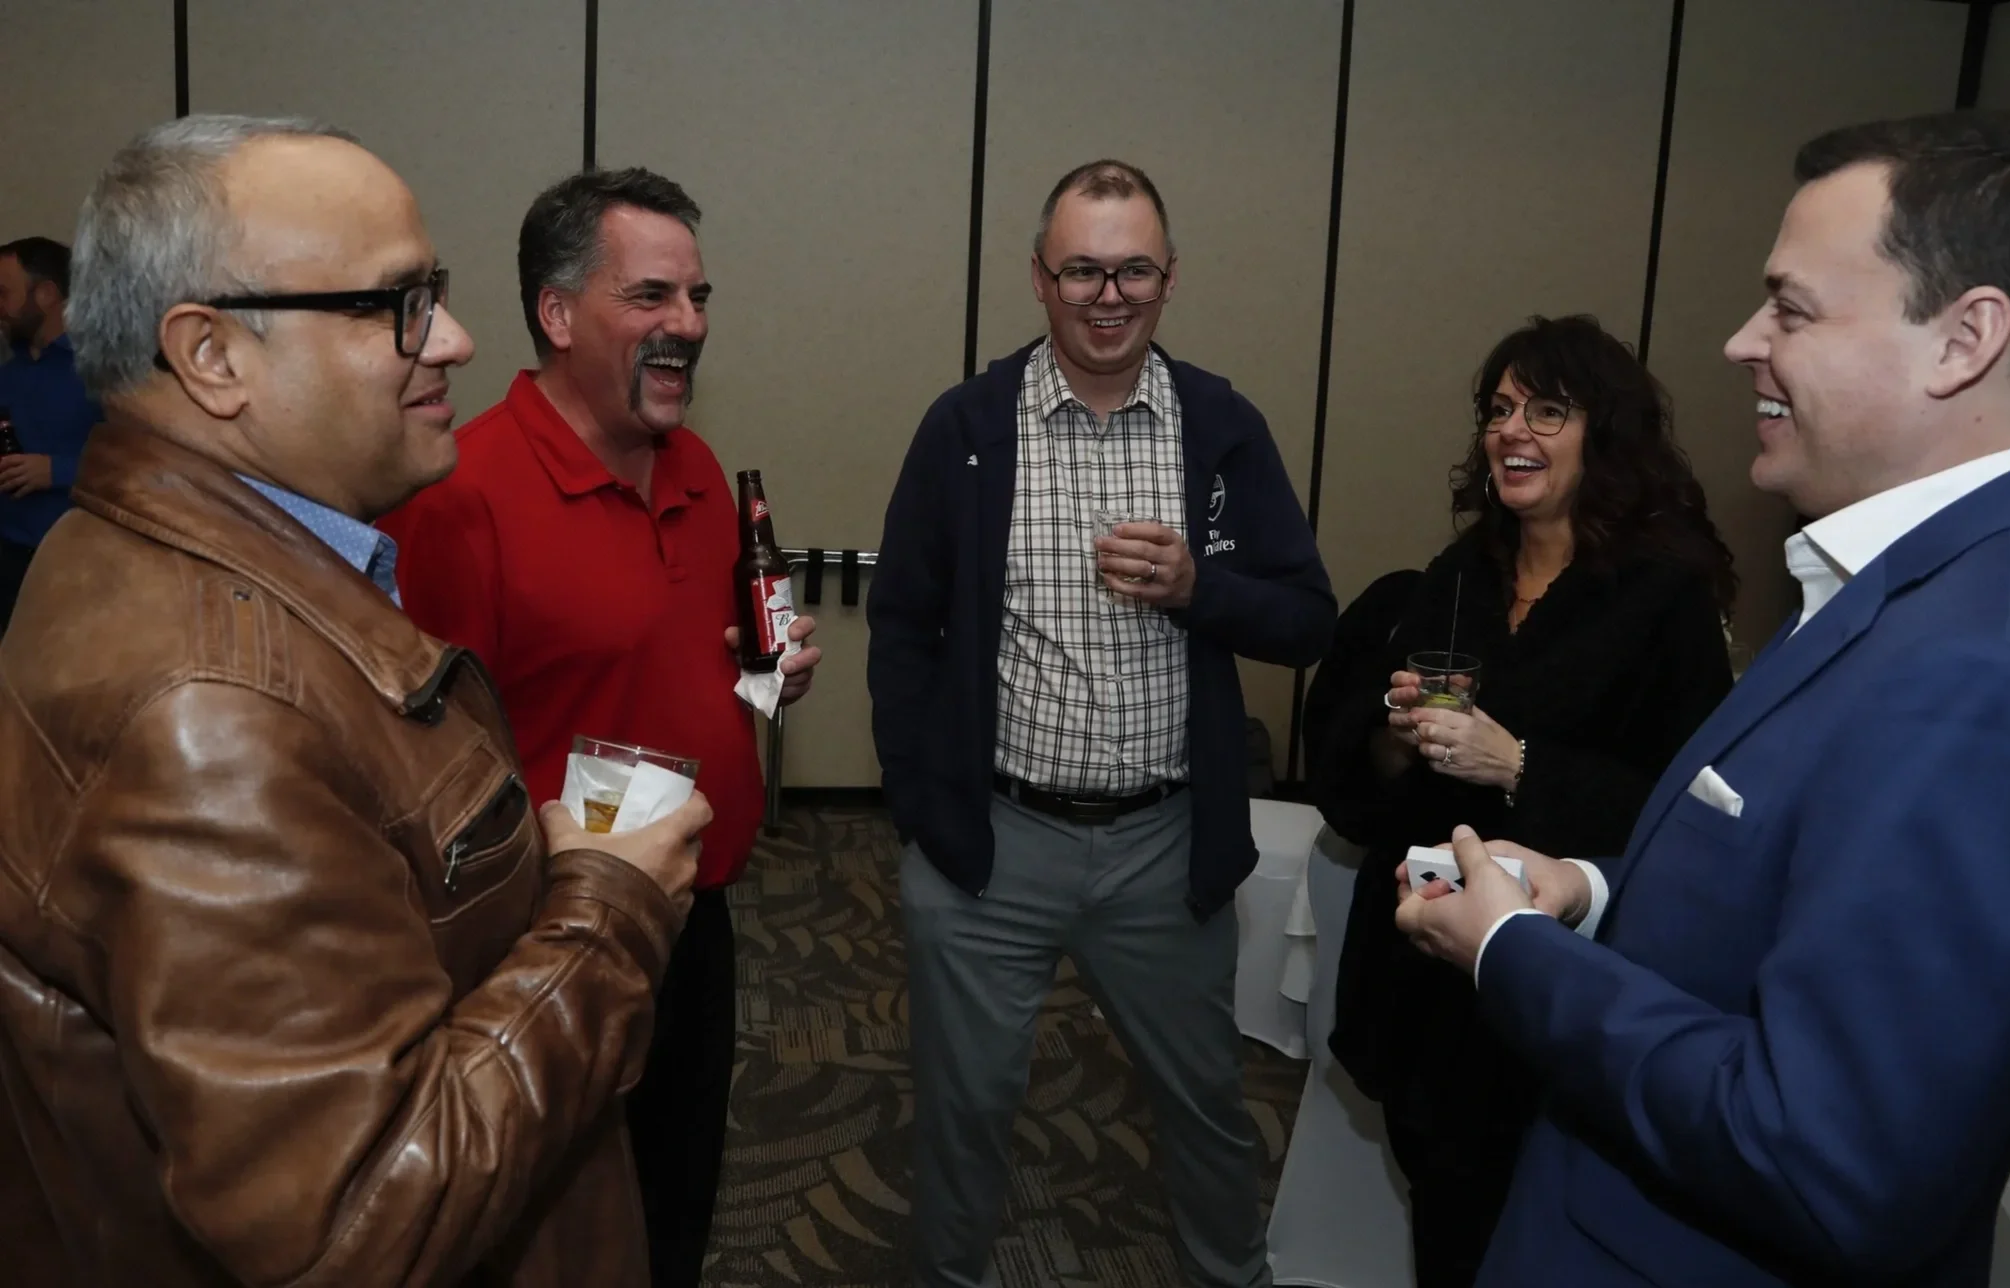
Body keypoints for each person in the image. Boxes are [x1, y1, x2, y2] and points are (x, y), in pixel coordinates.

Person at [0, 114, 708, 1287]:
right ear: (212, 355)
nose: (457, 339)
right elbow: (354, 1216)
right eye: (398, 305)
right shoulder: (207, 715)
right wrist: (610, 904)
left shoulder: (153, 555)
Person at [1396, 110, 2010, 1287]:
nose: (1742, 339)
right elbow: (1785, 880)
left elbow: (1827, 1156)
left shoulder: (1988, 668)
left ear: (1964, 340)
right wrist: (1588, 892)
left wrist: (1513, 950)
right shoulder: (1906, 585)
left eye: (1790, 308)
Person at [868, 158, 1335, 1288]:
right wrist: (927, 817)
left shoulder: (1221, 427)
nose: (1107, 294)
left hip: (1160, 849)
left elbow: (1309, 620)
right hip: (993, 845)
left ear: (1169, 278)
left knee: (1208, 1109)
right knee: (964, 1115)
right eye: (1082, 269)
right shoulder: (968, 426)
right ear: (1040, 277)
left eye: (1132, 270)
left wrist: (1198, 589)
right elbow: (903, 627)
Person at [379, 166, 821, 1288]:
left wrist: (772, 683)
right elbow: (421, 765)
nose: (689, 325)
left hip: (698, 915)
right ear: (557, 312)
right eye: (653, 298)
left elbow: (708, 659)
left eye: (699, 298)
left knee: (677, 1204)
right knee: (560, 1234)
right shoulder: (463, 493)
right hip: (548, 937)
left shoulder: (703, 470)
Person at [1309, 315, 1736, 1286]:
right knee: (1445, 1220)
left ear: (1607, 433)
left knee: (1523, 1234)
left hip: (1553, 994)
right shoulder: (1462, 574)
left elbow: (1692, 814)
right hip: (1426, 978)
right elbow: (1366, 784)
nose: (1512, 431)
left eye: (1547, 409)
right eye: (1499, 410)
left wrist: (1519, 766)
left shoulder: (1662, 595)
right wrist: (1392, 732)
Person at [0, 236, 101, 632]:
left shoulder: (101, 372)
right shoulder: (8, 374)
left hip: (76, 562)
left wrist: (56, 471)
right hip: (8, 556)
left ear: (45, 295)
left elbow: (146, 462)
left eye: (3, 293)